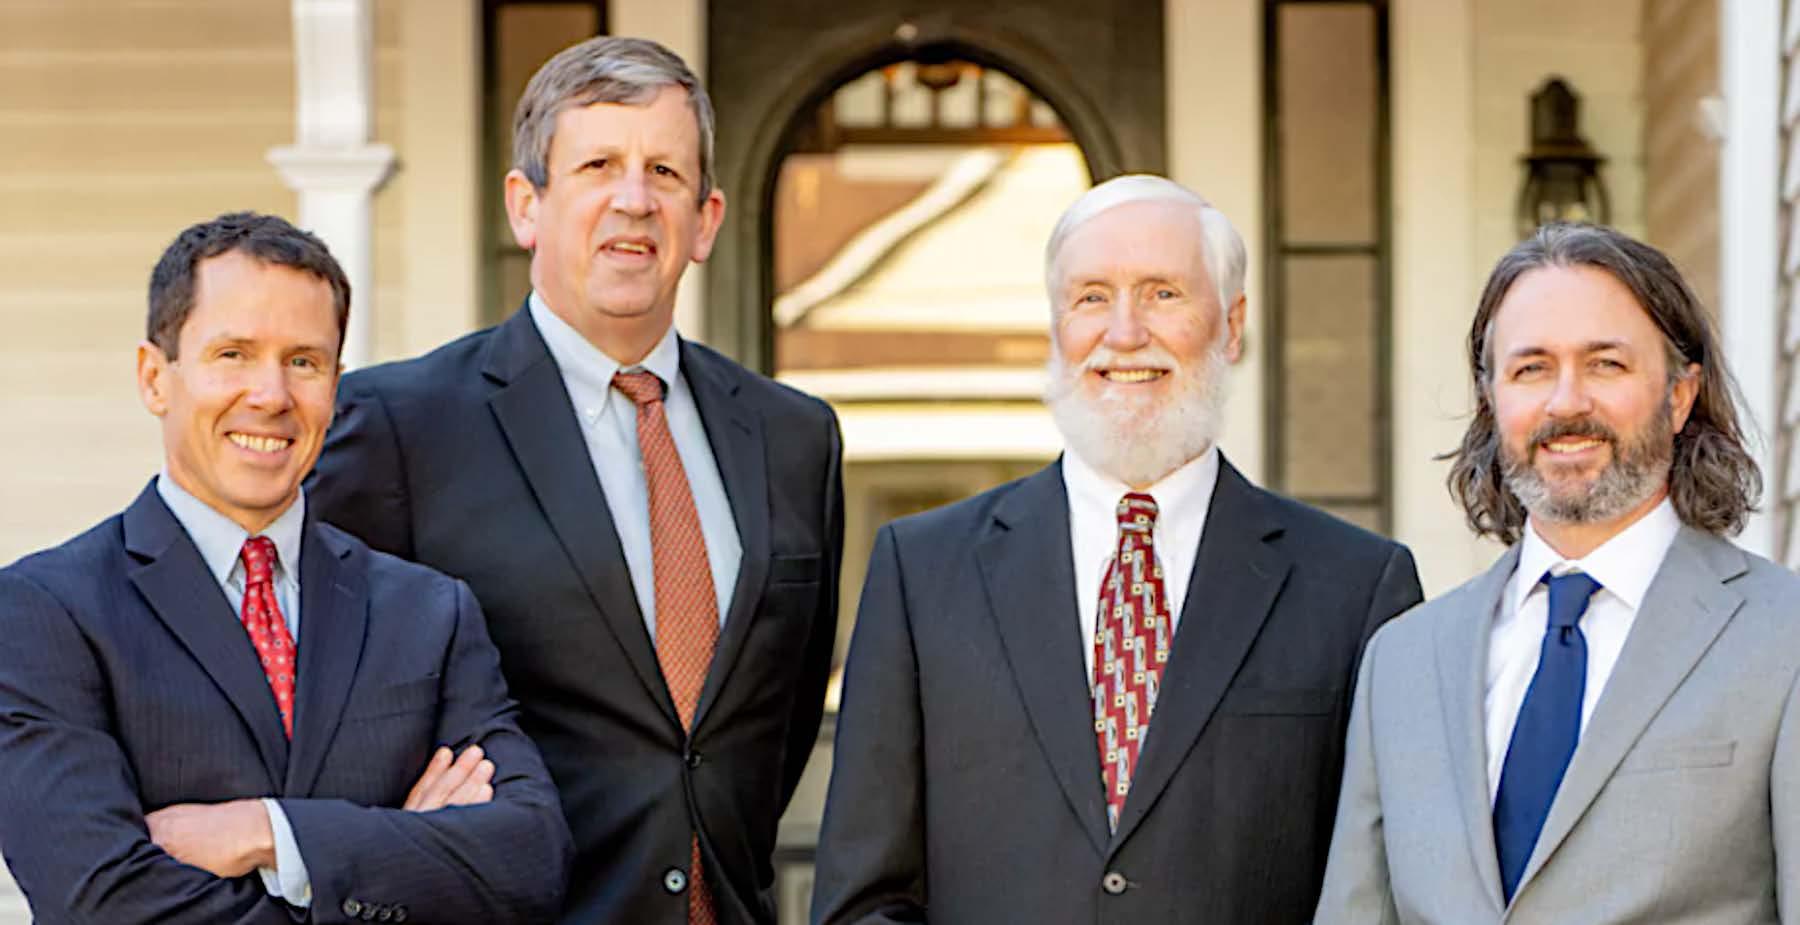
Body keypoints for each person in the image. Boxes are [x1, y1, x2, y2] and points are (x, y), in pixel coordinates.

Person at [307, 36, 843, 925]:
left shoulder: (794, 439)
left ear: (706, 220)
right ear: (527, 205)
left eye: (664, 172)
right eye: (598, 166)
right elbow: (326, 715)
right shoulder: (400, 427)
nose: (634, 199)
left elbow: (771, 735)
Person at [809, 175, 1423, 925]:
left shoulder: (1357, 588)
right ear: (1056, 326)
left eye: (1163, 293)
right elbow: (864, 900)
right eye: (1092, 297)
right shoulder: (922, 572)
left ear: (1231, 325)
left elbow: (1388, 894)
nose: (1125, 333)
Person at [0, 212, 570, 925]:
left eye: (303, 361)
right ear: (154, 378)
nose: (271, 395)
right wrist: (398, 857)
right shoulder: (45, 612)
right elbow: (101, 901)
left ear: (335, 384)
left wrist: (269, 832)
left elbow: (529, 860)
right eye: (233, 354)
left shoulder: (429, 613)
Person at [1315, 223, 1794, 923]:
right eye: (1531, 368)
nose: (1566, 402)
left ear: (1680, 395)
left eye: (1606, 364)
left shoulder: (1783, 639)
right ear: (1492, 400)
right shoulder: (1402, 661)